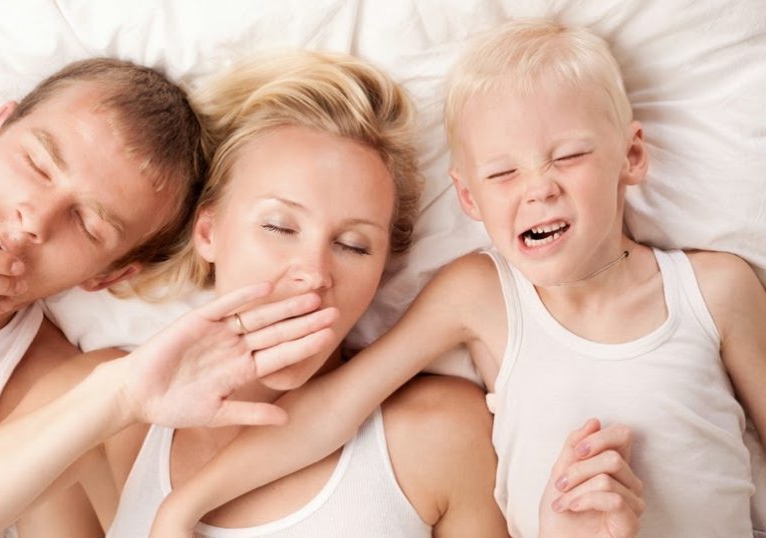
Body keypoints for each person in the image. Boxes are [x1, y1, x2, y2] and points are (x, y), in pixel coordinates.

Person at [0, 50, 643, 538]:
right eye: (279, 226)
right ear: (208, 234)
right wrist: (118, 397)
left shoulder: (438, 434)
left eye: (354, 244)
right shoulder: (106, 412)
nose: (313, 273)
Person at [151, 18, 766, 538]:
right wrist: (185, 506)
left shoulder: (716, 290)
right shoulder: (481, 294)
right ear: (469, 199)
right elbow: (332, 410)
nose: (539, 188)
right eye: (503, 174)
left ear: (631, 156)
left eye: (569, 156)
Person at [0, 57, 335, 536]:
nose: (35, 219)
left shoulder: (49, 394)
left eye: (88, 224)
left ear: (107, 275)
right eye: (37, 165)